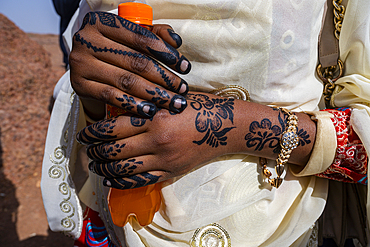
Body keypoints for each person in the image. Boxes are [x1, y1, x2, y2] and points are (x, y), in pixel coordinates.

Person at [41, 0, 370, 246]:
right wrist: (93, 88)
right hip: (118, 220)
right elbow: (96, 115)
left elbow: (363, 143)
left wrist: (228, 128)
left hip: (283, 231)